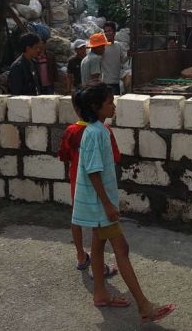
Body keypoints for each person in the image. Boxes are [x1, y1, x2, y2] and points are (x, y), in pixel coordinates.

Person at [73, 84, 175, 324]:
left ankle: (100, 293)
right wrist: (108, 205)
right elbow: (94, 172)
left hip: (99, 204)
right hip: (101, 206)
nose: (114, 105)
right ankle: (144, 306)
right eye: (109, 102)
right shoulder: (97, 133)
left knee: (98, 248)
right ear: (96, 107)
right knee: (122, 249)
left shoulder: (97, 129)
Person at [58, 89, 120, 276]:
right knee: (98, 228)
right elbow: (115, 157)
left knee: (76, 218)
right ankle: (98, 267)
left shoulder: (72, 131)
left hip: (78, 183)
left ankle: (80, 256)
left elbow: (64, 156)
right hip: (97, 185)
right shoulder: (102, 131)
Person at [101, 22, 128, 95]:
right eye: (105, 31)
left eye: (109, 31)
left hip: (116, 82)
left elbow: (122, 60)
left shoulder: (118, 45)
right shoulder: (101, 47)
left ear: (114, 32)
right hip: (104, 83)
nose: (107, 33)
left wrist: (129, 54)